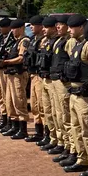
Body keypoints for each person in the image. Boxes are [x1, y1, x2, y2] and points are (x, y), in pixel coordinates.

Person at [61, 16, 88, 176]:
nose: (69, 30)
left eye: (72, 28)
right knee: (76, 128)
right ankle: (82, 158)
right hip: (74, 92)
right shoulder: (77, 45)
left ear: (81, 28)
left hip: (86, 94)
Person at [0, 19, 32, 140]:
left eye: (15, 28)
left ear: (21, 28)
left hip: (18, 74)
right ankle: (14, 126)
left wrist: (6, 62)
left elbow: (21, 59)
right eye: (12, 29)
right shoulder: (15, 42)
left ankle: (23, 129)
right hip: (10, 74)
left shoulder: (24, 41)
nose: (12, 31)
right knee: (10, 102)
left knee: (19, 101)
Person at [48, 16, 74, 163]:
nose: (58, 27)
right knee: (58, 114)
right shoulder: (59, 40)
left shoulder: (69, 42)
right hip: (55, 80)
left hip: (64, 83)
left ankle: (71, 148)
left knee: (66, 116)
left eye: (61, 25)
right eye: (57, 25)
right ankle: (64, 144)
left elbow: (73, 63)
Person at [36, 17, 59, 149]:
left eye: (46, 27)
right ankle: (52, 137)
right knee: (47, 111)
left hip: (55, 80)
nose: (43, 30)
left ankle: (62, 143)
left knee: (59, 114)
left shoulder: (63, 42)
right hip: (45, 78)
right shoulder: (46, 41)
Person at [25, 16, 48, 143]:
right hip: (33, 75)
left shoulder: (44, 41)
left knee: (42, 106)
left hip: (40, 76)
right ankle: (38, 132)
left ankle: (47, 134)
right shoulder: (33, 40)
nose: (32, 28)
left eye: (34, 25)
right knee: (34, 106)